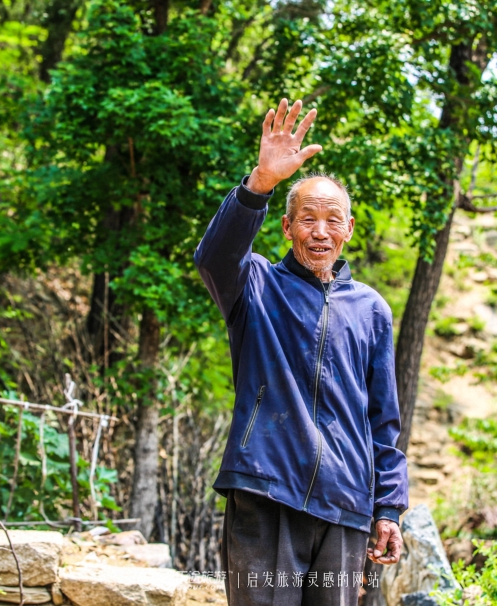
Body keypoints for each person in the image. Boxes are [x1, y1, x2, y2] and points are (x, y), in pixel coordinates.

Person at [194, 98, 409, 605]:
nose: (320, 231)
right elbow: (213, 257)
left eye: (333, 220)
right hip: (267, 491)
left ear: (348, 229)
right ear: (287, 228)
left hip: (347, 506)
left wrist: (388, 509)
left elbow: (383, 422)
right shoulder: (256, 285)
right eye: (307, 219)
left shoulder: (372, 310)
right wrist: (260, 184)